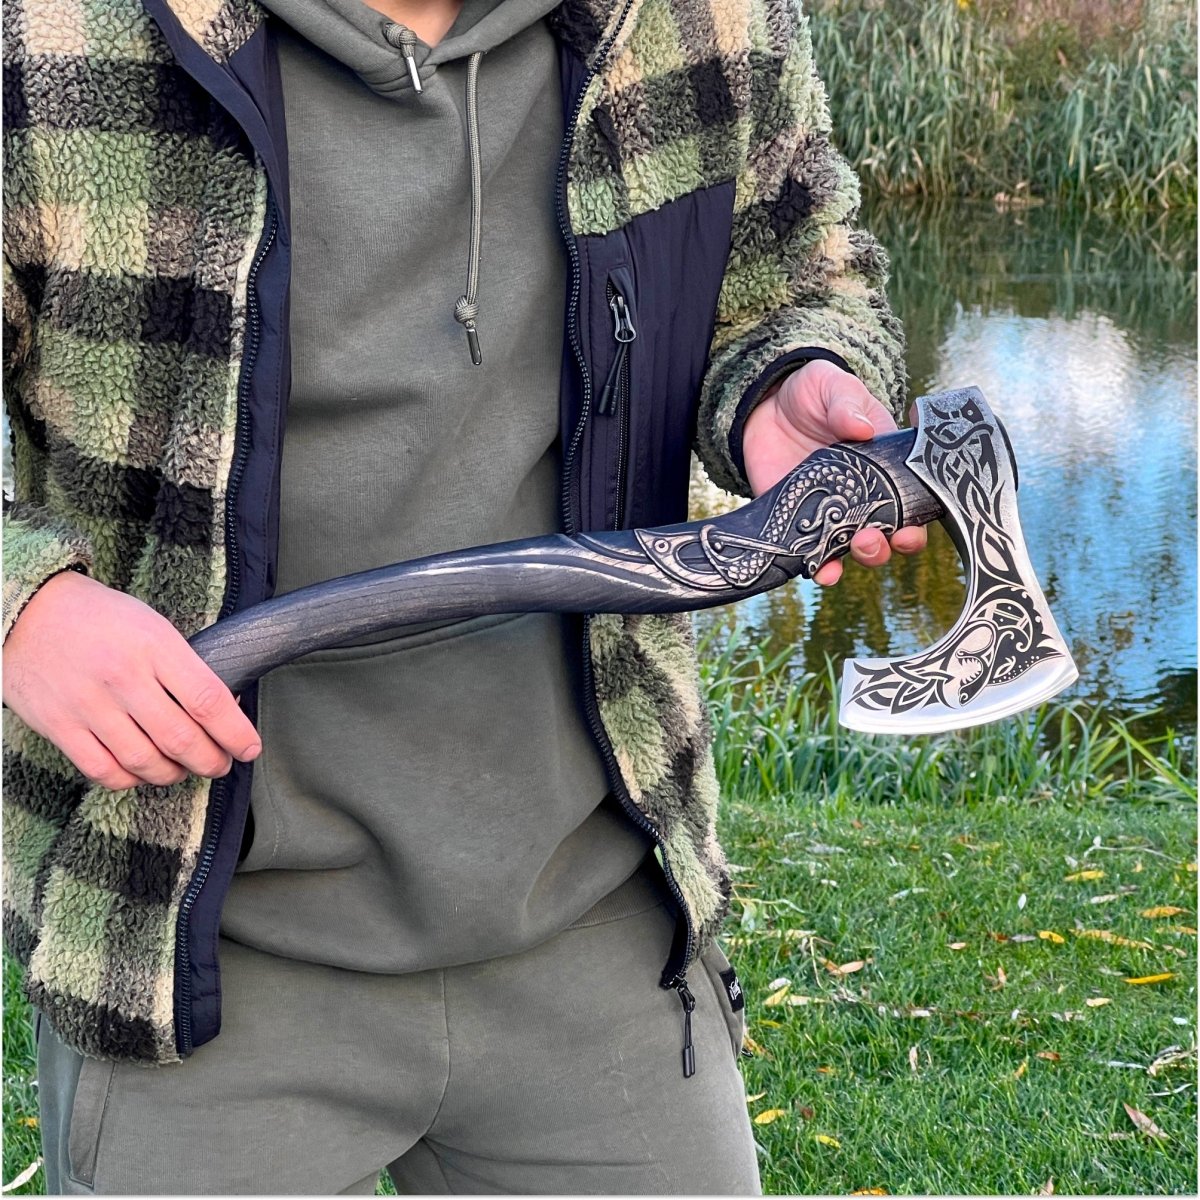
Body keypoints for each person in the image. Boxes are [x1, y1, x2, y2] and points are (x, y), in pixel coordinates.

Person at [2, 0, 924, 1191]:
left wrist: (792, 381)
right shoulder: (48, 39)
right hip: (195, 947)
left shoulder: (708, 18)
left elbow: (801, 278)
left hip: (601, 928)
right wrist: (23, 608)